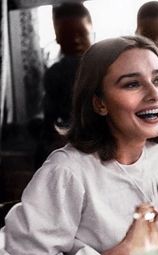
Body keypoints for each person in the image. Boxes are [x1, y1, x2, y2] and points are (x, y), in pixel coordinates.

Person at [0, 35, 158, 255]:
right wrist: (123, 253)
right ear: (100, 104)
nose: (154, 94)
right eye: (132, 84)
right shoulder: (66, 172)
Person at [35, 2, 93, 168]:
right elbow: (50, 113)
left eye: (81, 33)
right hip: (66, 132)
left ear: (91, 32)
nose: (75, 40)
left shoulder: (104, 68)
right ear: (58, 38)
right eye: (67, 35)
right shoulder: (55, 72)